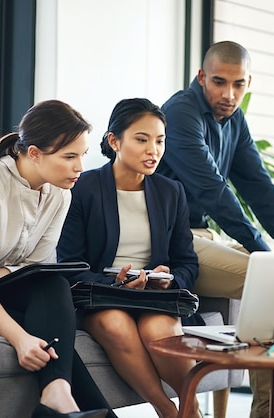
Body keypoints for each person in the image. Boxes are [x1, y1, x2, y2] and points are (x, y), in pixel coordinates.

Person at [0, 100, 112, 418]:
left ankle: (58, 396)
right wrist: (21, 339)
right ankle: (69, 404)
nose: (80, 167)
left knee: (52, 284)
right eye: (69, 156)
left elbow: (33, 270)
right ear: (34, 153)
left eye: (82, 155)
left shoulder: (60, 193)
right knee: (45, 323)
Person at [157, 40, 274, 418]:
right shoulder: (180, 114)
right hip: (171, 241)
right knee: (270, 278)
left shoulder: (234, 120)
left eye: (239, 85)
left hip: (202, 236)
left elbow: (258, 186)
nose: (229, 94)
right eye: (219, 82)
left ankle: (269, 408)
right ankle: (269, 411)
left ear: (249, 82)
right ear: (202, 77)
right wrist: (266, 253)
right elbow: (213, 191)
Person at [57, 98, 201, 418]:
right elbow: (70, 263)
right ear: (114, 141)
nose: (153, 150)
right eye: (142, 139)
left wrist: (168, 279)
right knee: (116, 324)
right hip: (102, 296)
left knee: (159, 331)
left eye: (160, 141)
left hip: (152, 297)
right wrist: (114, 281)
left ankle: (192, 409)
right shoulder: (84, 188)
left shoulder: (170, 192)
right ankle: (168, 411)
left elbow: (188, 263)